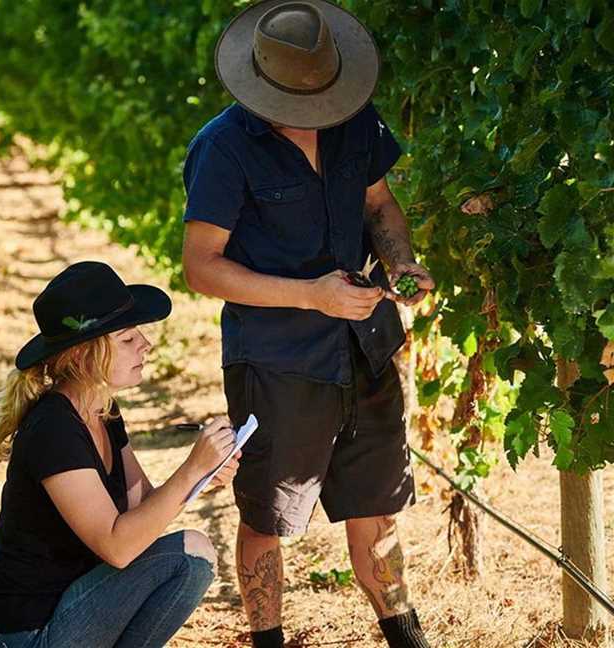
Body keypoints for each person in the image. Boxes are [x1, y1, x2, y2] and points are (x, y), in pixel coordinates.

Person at [181, 2, 436, 647]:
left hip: (364, 345)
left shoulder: (357, 122)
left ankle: (406, 638)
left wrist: (401, 264)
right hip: (277, 359)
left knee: (376, 501)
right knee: (269, 511)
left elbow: (380, 205)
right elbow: (201, 269)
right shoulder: (223, 148)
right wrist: (309, 296)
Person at [0, 261, 240, 648]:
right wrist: (189, 467)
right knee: (191, 553)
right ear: (83, 356)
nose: (145, 344)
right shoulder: (54, 428)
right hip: (25, 635)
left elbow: (142, 506)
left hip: (70, 613)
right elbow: (118, 546)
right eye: (127, 339)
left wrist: (202, 477)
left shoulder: (103, 412)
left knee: (193, 558)